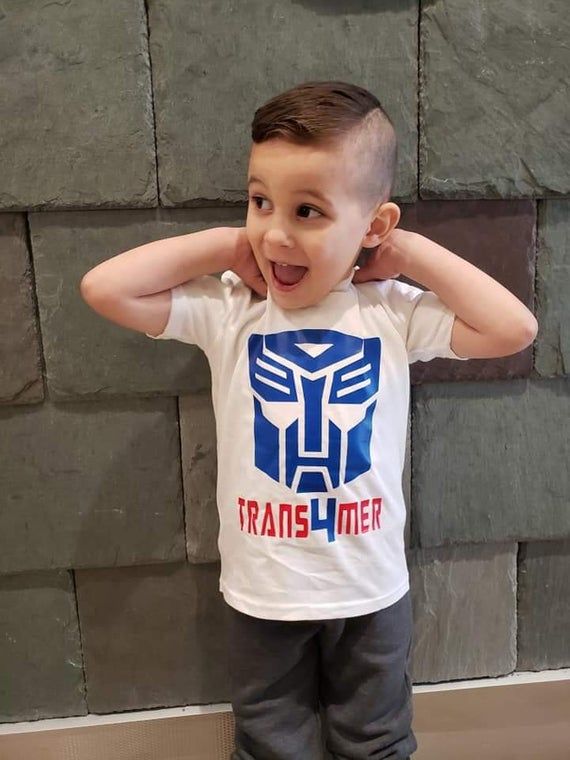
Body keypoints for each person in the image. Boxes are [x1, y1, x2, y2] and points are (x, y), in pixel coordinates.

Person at [80, 81, 537, 760]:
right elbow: (103, 288)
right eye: (260, 201)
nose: (276, 233)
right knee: (270, 744)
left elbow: (513, 328)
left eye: (309, 211)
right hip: (264, 590)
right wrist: (226, 246)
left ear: (373, 225)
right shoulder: (231, 309)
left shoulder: (391, 312)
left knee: (376, 740)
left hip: (370, 586)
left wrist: (405, 254)